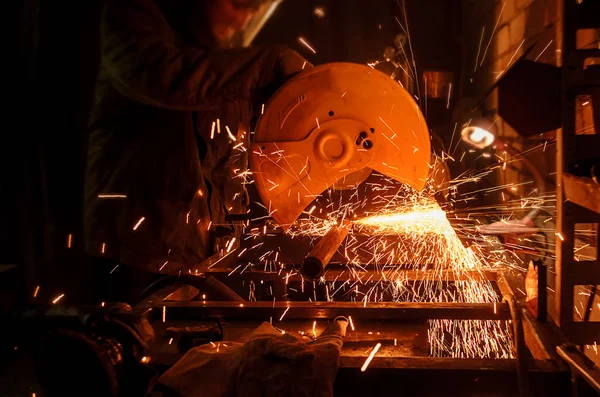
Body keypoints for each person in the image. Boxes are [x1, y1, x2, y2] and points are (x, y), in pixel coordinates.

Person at [84, 0, 309, 303]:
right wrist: (266, 66)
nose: (242, 23)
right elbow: (167, 78)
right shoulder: (131, 15)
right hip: (138, 252)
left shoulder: (220, 48)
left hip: (202, 252)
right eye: (238, 6)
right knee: (137, 343)